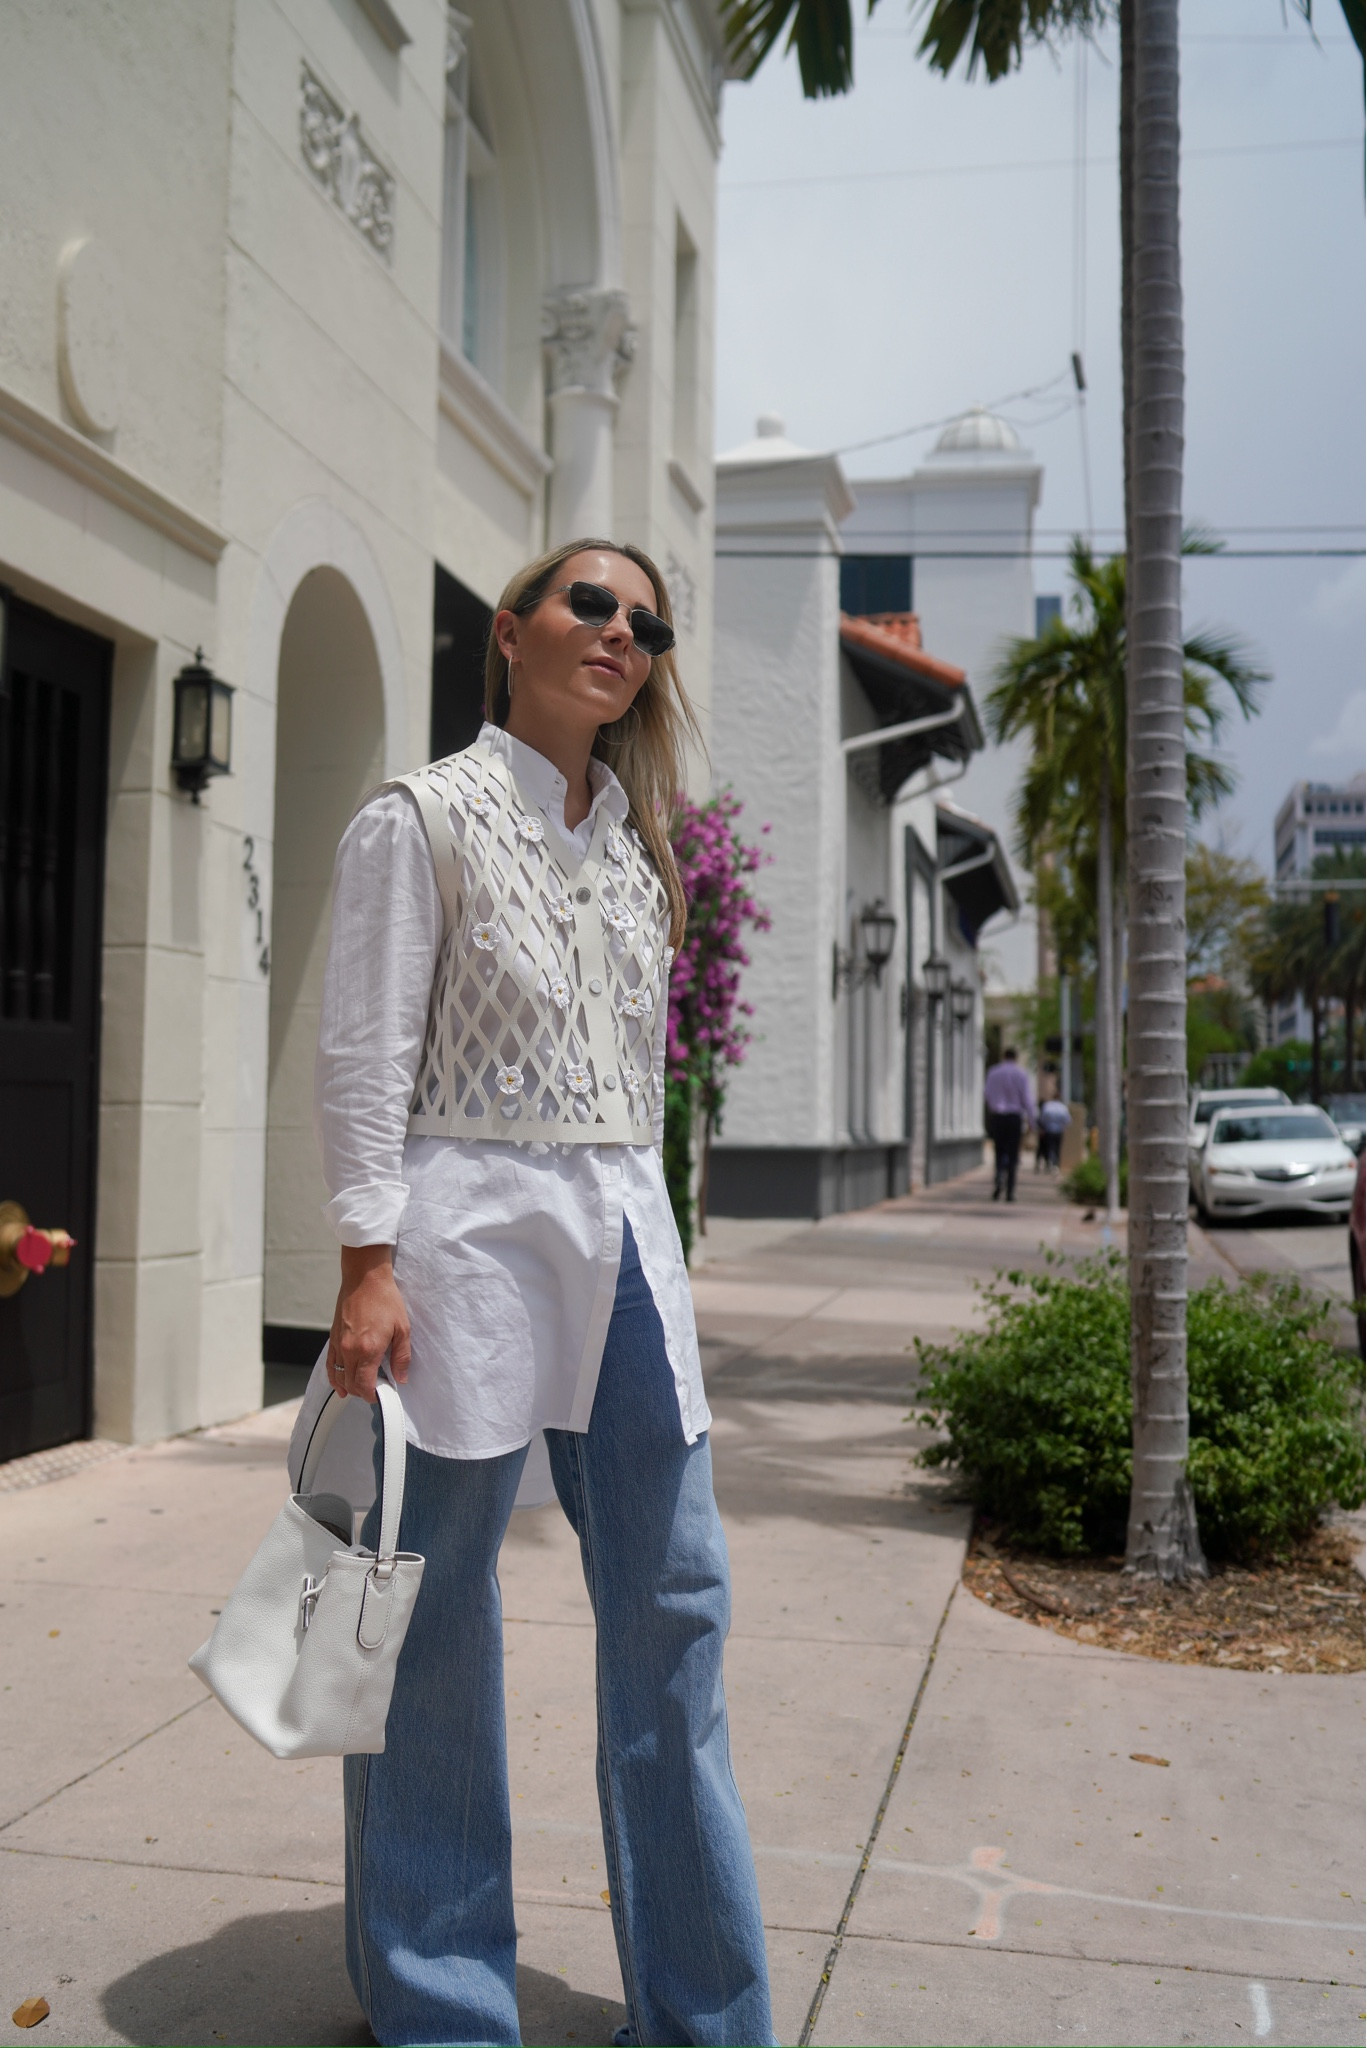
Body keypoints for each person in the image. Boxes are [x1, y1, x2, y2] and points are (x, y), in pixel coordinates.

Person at [312, 540, 775, 2047]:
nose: (621, 633)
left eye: (645, 622)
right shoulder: (420, 819)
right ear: (509, 630)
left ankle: (704, 2014)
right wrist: (367, 1265)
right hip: (462, 1251)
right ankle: (443, 2005)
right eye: (591, 603)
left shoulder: (641, 852)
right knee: (433, 1626)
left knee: (675, 1608)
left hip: (626, 1247)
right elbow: (366, 1054)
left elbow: (633, 1088)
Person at [983, 1046, 1037, 1201]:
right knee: (1013, 1155)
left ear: (1003, 1056)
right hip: (1014, 1117)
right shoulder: (1021, 1074)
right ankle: (1010, 1191)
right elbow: (1027, 1099)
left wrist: (993, 1108)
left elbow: (987, 1094)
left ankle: (999, 1177)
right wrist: (1032, 1121)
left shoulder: (993, 1072)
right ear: (1016, 1057)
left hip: (998, 1117)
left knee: (999, 1151)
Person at [1037, 1094, 1071, 1173]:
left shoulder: (1047, 1106)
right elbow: (1068, 1121)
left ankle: (1049, 1163)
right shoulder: (1063, 1107)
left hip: (1049, 1131)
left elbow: (1042, 1118)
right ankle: (1056, 1165)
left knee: (1049, 1148)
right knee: (1057, 1148)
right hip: (1059, 1131)